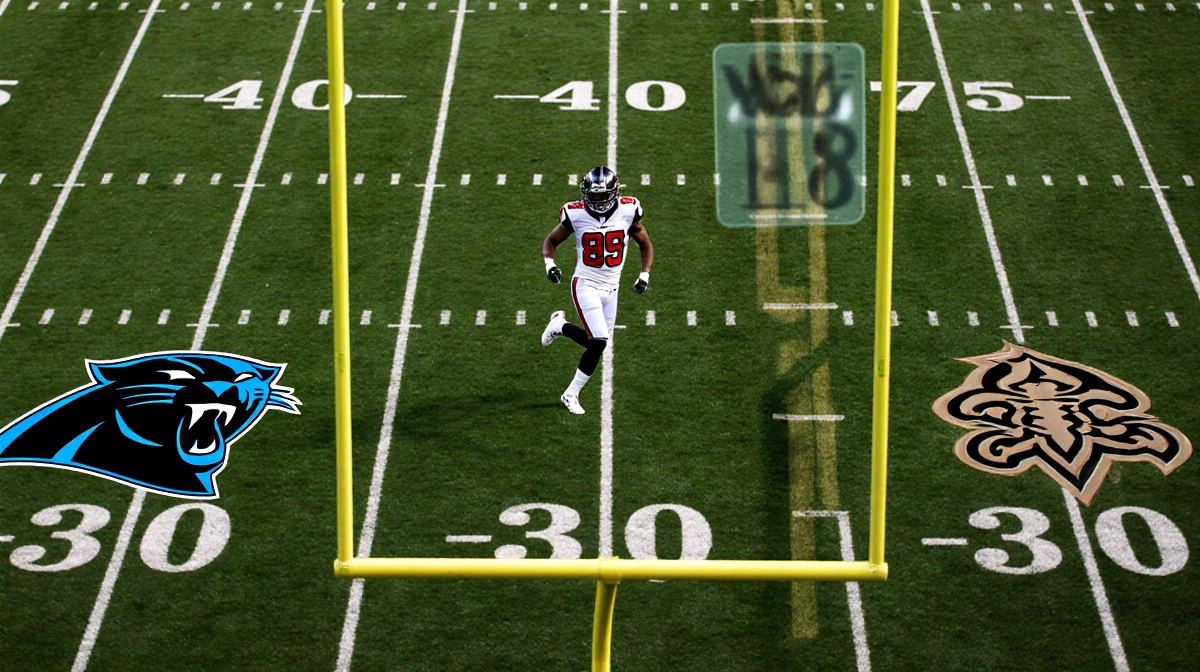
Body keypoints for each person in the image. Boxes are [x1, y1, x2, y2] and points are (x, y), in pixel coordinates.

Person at [540, 166, 655, 415]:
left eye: (603, 195)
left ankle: (560, 326)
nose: (598, 200)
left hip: (612, 289)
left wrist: (644, 275)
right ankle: (570, 394)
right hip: (585, 284)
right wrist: (550, 264)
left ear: (614, 193)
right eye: (594, 195)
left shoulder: (628, 210)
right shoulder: (575, 213)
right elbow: (551, 241)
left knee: (598, 343)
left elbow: (645, 244)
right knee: (599, 341)